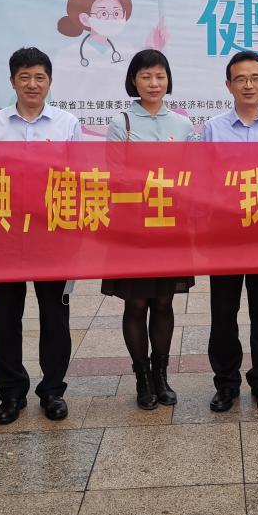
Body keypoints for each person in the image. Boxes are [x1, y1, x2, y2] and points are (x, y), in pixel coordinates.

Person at [0, 47, 82, 425]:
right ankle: (11, 393)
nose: (32, 84)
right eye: (24, 77)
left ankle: (53, 390)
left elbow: (77, 178)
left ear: (49, 82)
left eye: (40, 77)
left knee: (55, 316)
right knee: (7, 316)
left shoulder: (66, 124)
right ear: (12, 82)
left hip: (52, 232)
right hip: (6, 233)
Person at [202, 51, 258, 413]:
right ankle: (226, 384)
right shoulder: (213, 128)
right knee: (223, 314)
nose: (248, 85)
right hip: (224, 235)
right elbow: (203, 181)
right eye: (240, 79)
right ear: (229, 85)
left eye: (255, 78)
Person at [104, 49, 196, 409]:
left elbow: (192, 176)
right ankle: (142, 378)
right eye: (146, 76)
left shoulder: (182, 125)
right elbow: (114, 175)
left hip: (170, 227)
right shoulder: (121, 122)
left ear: (168, 79)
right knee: (136, 302)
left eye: (160, 76)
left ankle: (161, 376)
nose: (154, 83)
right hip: (133, 229)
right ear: (134, 80)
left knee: (163, 302)